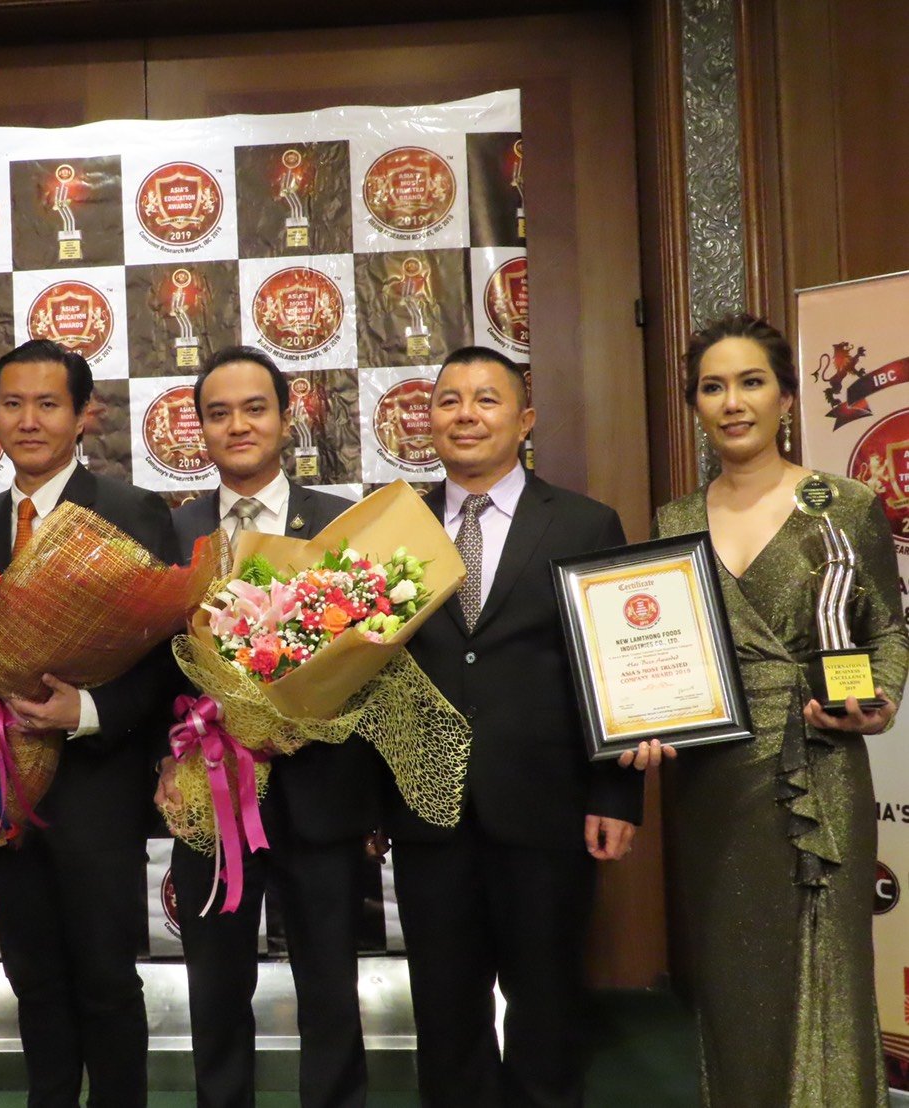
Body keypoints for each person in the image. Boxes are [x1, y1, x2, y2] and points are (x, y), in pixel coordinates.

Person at [624, 314, 907, 1107]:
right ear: (696, 405)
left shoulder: (842, 504)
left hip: (820, 764)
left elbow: (887, 629)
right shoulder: (675, 520)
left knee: (828, 975)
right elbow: (656, 653)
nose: (732, 402)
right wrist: (641, 720)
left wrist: (881, 700)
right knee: (732, 985)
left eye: (751, 382)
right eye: (713, 387)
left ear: (785, 397)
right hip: (711, 779)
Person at [378, 345, 642, 1108]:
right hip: (427, 815)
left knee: (548, 1012)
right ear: (429, 420)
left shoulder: (585, 524)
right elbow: (371, 675)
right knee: (445, 1016)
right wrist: (371, 805)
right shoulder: (393, 528)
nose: (466, 415)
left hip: (547, 809)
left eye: (486, 399)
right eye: (449, 400)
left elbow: (617, 670)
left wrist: (617, 796)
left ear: (525, 420)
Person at [0, 339, 179, 1108]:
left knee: (106, 980)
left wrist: (84, 711)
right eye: (12, 404)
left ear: (83, 416)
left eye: (48, 404)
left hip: (97, 791)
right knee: (33, 977)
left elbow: (168, 658)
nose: (28, 421)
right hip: (6, 790)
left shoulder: (130, 512)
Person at [153, 346, 371, 1108]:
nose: (237, 425)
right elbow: (148, 669)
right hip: (208, 792)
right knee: (215, 991)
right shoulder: (170, 532)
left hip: (321, 791)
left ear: (287, 417)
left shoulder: (342, 524)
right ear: (200, 429)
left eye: (254, 409)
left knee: (331, 989)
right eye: (218, 413)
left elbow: (379, 665)